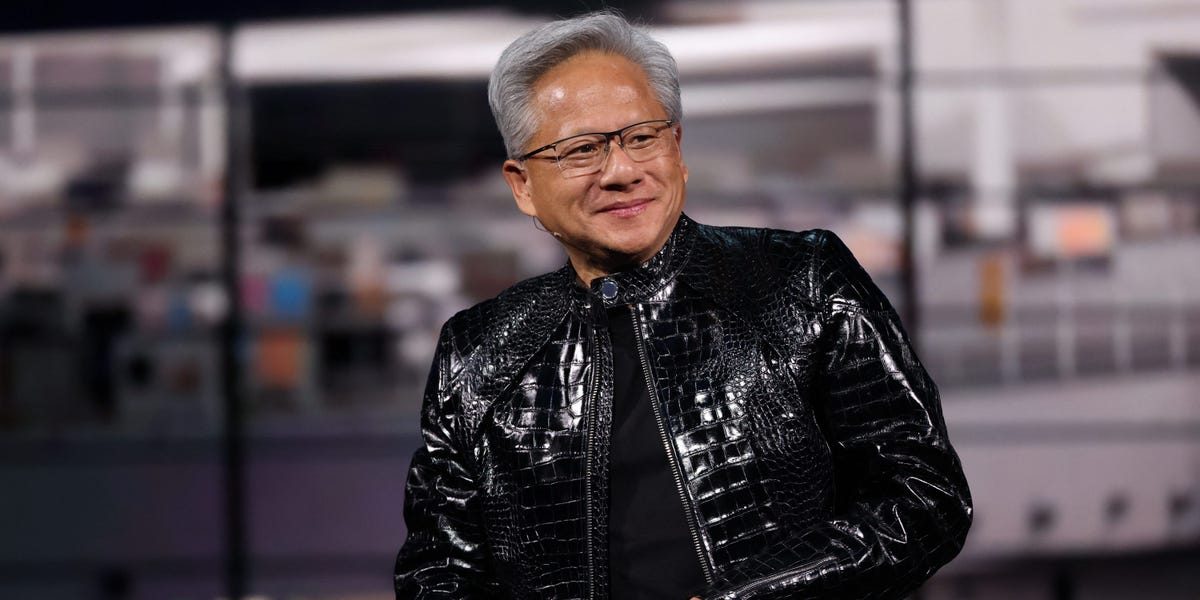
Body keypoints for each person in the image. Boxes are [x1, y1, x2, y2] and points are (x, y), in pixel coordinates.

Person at [394, 10, 971, 600]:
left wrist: (752, 596)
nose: (622, 171)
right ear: (522, 185)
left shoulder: (802, 281)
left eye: (642, 137)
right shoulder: (476, 351)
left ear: (677, 148)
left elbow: (926, 496)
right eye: (581, 149)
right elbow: (438, 573)